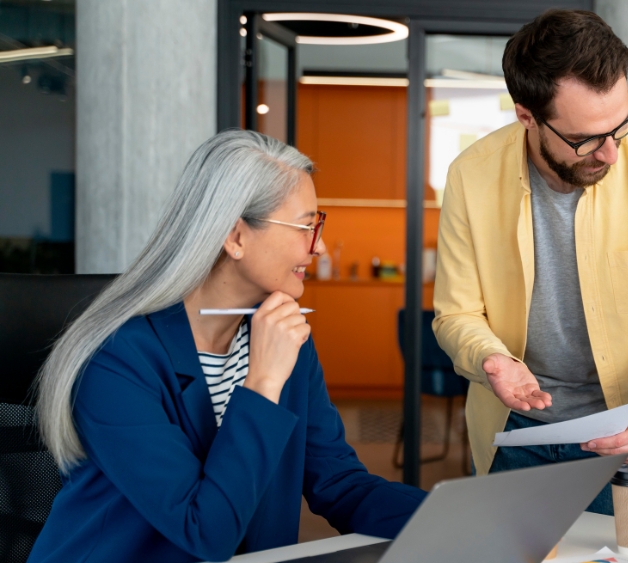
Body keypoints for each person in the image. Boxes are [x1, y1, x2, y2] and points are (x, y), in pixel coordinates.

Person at [28, 131, 426, 563]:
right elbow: (204, 532)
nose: (320, 247)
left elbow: (340, 484)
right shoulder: (116, 359)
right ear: (236, 236)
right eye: (306, 226)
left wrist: (452, 516)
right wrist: (263, 382)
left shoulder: (282, 336)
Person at [432, 9, 628, 519]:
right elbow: (456, 314)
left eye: (621, 124)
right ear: (527, 117)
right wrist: (491, 358)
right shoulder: (470, 176)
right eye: (586, 139)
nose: (611, 154)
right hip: (513, 435)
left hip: (627, 434)